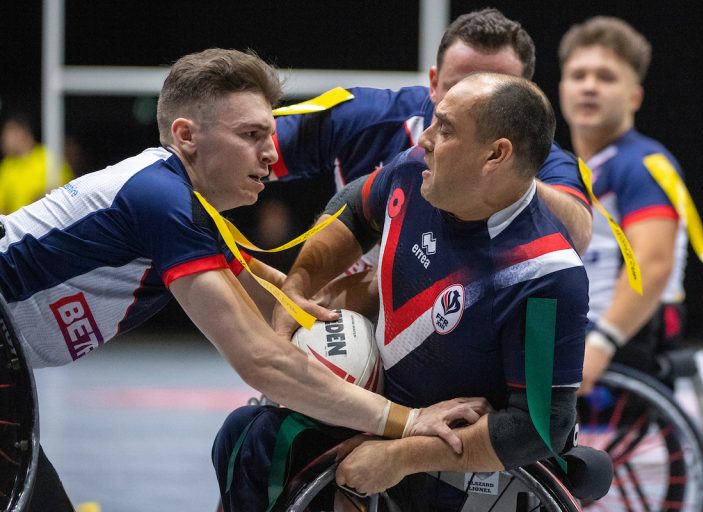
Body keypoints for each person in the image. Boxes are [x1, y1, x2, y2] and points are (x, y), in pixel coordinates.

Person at [0, 48, 483, 511]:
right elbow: (261, 360)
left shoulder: (175, 198)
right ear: (186, 136)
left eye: (270, 134)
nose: (271, 153)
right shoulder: (160, 202)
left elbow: (277, 295)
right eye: (251, 135)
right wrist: (408, 421)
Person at [212, 73, 589, 509]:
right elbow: (357, 208)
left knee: (265, 443)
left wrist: (402, 457)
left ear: (495, 154)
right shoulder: (414, 172)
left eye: (445, 129)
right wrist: (298, 286)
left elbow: (540, 427)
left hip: (462, 461)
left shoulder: (545, 273)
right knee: (246, 435)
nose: (425, 138)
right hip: (388, 417)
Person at [270, 8, 592, 256]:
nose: (475, 107)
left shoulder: (539, 158)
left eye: (497, 96)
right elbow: (246, 153)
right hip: (348, 311)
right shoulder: (367, 117)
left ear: (526, 100)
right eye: (460, 87)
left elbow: (578, 235)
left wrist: (510, 177)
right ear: (434, 83)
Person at [558, 16, 691, 391]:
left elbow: (654, 262)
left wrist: (602, 342)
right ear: (562, 87)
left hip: (621, 341)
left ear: (634, 96)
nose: (589, 86)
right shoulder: (571, 168)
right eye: (578, 75)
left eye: (606, 77)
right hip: (575, 330)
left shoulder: (644, 164)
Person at [0, 113, 74, 214]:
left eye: (7, 136)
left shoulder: (48, 159)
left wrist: (42, 199)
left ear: (21, 134)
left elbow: (67, 193)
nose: (3, 141)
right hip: (18, 222)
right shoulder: (7, 165)